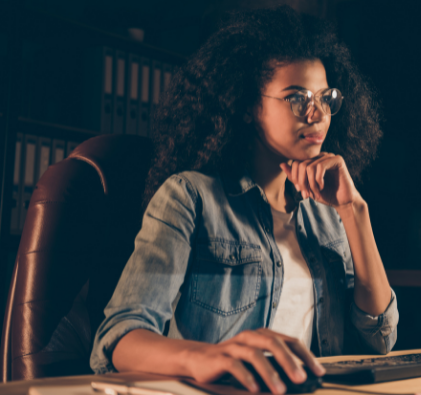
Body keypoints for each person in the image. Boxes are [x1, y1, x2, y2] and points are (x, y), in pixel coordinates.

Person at [89, 7, 398, 394]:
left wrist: (354, 211)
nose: (316, 113)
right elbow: (121, 334)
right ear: (250, 106)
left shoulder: (327, 216)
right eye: (297, 97)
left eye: (324, 97)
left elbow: (379, 339)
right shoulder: (190, 198)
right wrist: (207, 359)